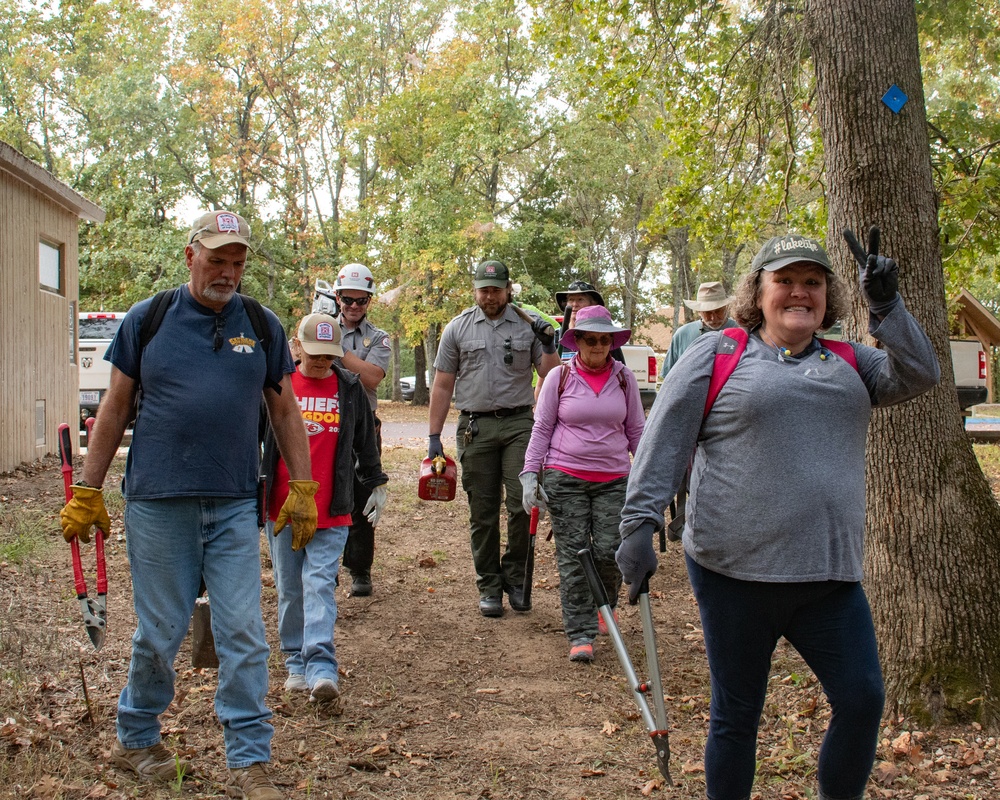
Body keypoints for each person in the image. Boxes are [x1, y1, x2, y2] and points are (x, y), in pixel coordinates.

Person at [615, 231, 939, 800]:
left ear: (828, 295)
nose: (799, 293)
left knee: (862, 700)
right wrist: (638, 525)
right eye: (784, 280)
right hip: (734, 573)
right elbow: (663, 442)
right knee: (737, 715)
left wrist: (887, 307)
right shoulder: (719, 354)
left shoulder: (848, 360)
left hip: (829, 576)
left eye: (812, 282)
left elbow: (920, 375)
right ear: (757, 292)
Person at [58, 210, 317, 800]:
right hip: (157, 501)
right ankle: (138, 738)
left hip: (231, 501)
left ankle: (250, 760)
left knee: (243, 631)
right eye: (217, 259)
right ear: (190, 255)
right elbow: (115, 407)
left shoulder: (262, 324)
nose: (228, 272)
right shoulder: (149, 320)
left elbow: (283, 412)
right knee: (162, 630)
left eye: (238, 263)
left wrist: (302, 488)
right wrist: (88, 488)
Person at [262, 312, 388, 704]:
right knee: (290, 587)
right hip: (283, 507)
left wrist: (376, 481)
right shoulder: (276, 386)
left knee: (319, 584)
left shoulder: (348, 387)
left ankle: (320, 667)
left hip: (332, 507)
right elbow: (254, 440)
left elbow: (365, 439)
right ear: (296, 347)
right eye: (313, 354)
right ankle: (294, 663)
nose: (321, 362)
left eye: (328, 356)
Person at [428, 259, 561, 617]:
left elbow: (549, 376)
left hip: (519, 424)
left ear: (508, 288)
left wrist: (548, 346)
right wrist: (434, 435)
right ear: (475, 290)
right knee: (482, 511)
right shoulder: (457, 328)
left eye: (496, 289)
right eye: (484, 289)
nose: (490, 296)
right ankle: (489, 584)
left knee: (523, 502)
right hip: (475, 426)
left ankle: (516, 578)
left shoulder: (527, 326)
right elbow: (443, 384)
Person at [520, 305, 645, 662]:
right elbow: (542, 427)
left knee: (609, 551)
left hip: (614, 478)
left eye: (604, 341)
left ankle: (605, 606)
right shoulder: (559, 378)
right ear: (578, 342)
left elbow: (637, 430)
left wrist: (648, 473)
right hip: (566, 476)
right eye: (590, 340)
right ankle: (580, 632)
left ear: (611, 343)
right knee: (574, 557)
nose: (597, 347)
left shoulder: (624, 379)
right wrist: (530, 474)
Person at [331, 263, 392, 597]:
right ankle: (327, 568)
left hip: (364, 425)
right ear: (338, 297)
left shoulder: (379, 337)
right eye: (348, 299)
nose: (354, 306)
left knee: (363, 494)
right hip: (326, 421)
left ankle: (359, 568)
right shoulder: (320, 325)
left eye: (361, 300)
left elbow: (371, 377)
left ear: (369, 301)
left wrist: (335, 351)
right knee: (326, 494)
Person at [659, 281, 738, 378]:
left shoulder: (741, 332)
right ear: (699, 311)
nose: (714, 318)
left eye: (718, 311)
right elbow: (669, 377)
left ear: (726, 307)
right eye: (708, 313)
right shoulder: (683, 334)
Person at [553, 280, 625, 363]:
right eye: (571, 299)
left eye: (580, 299)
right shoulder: (556, 337)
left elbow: (619, 372)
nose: (574, 304)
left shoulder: (604, 337)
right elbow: (546, 373)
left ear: (593, 304)